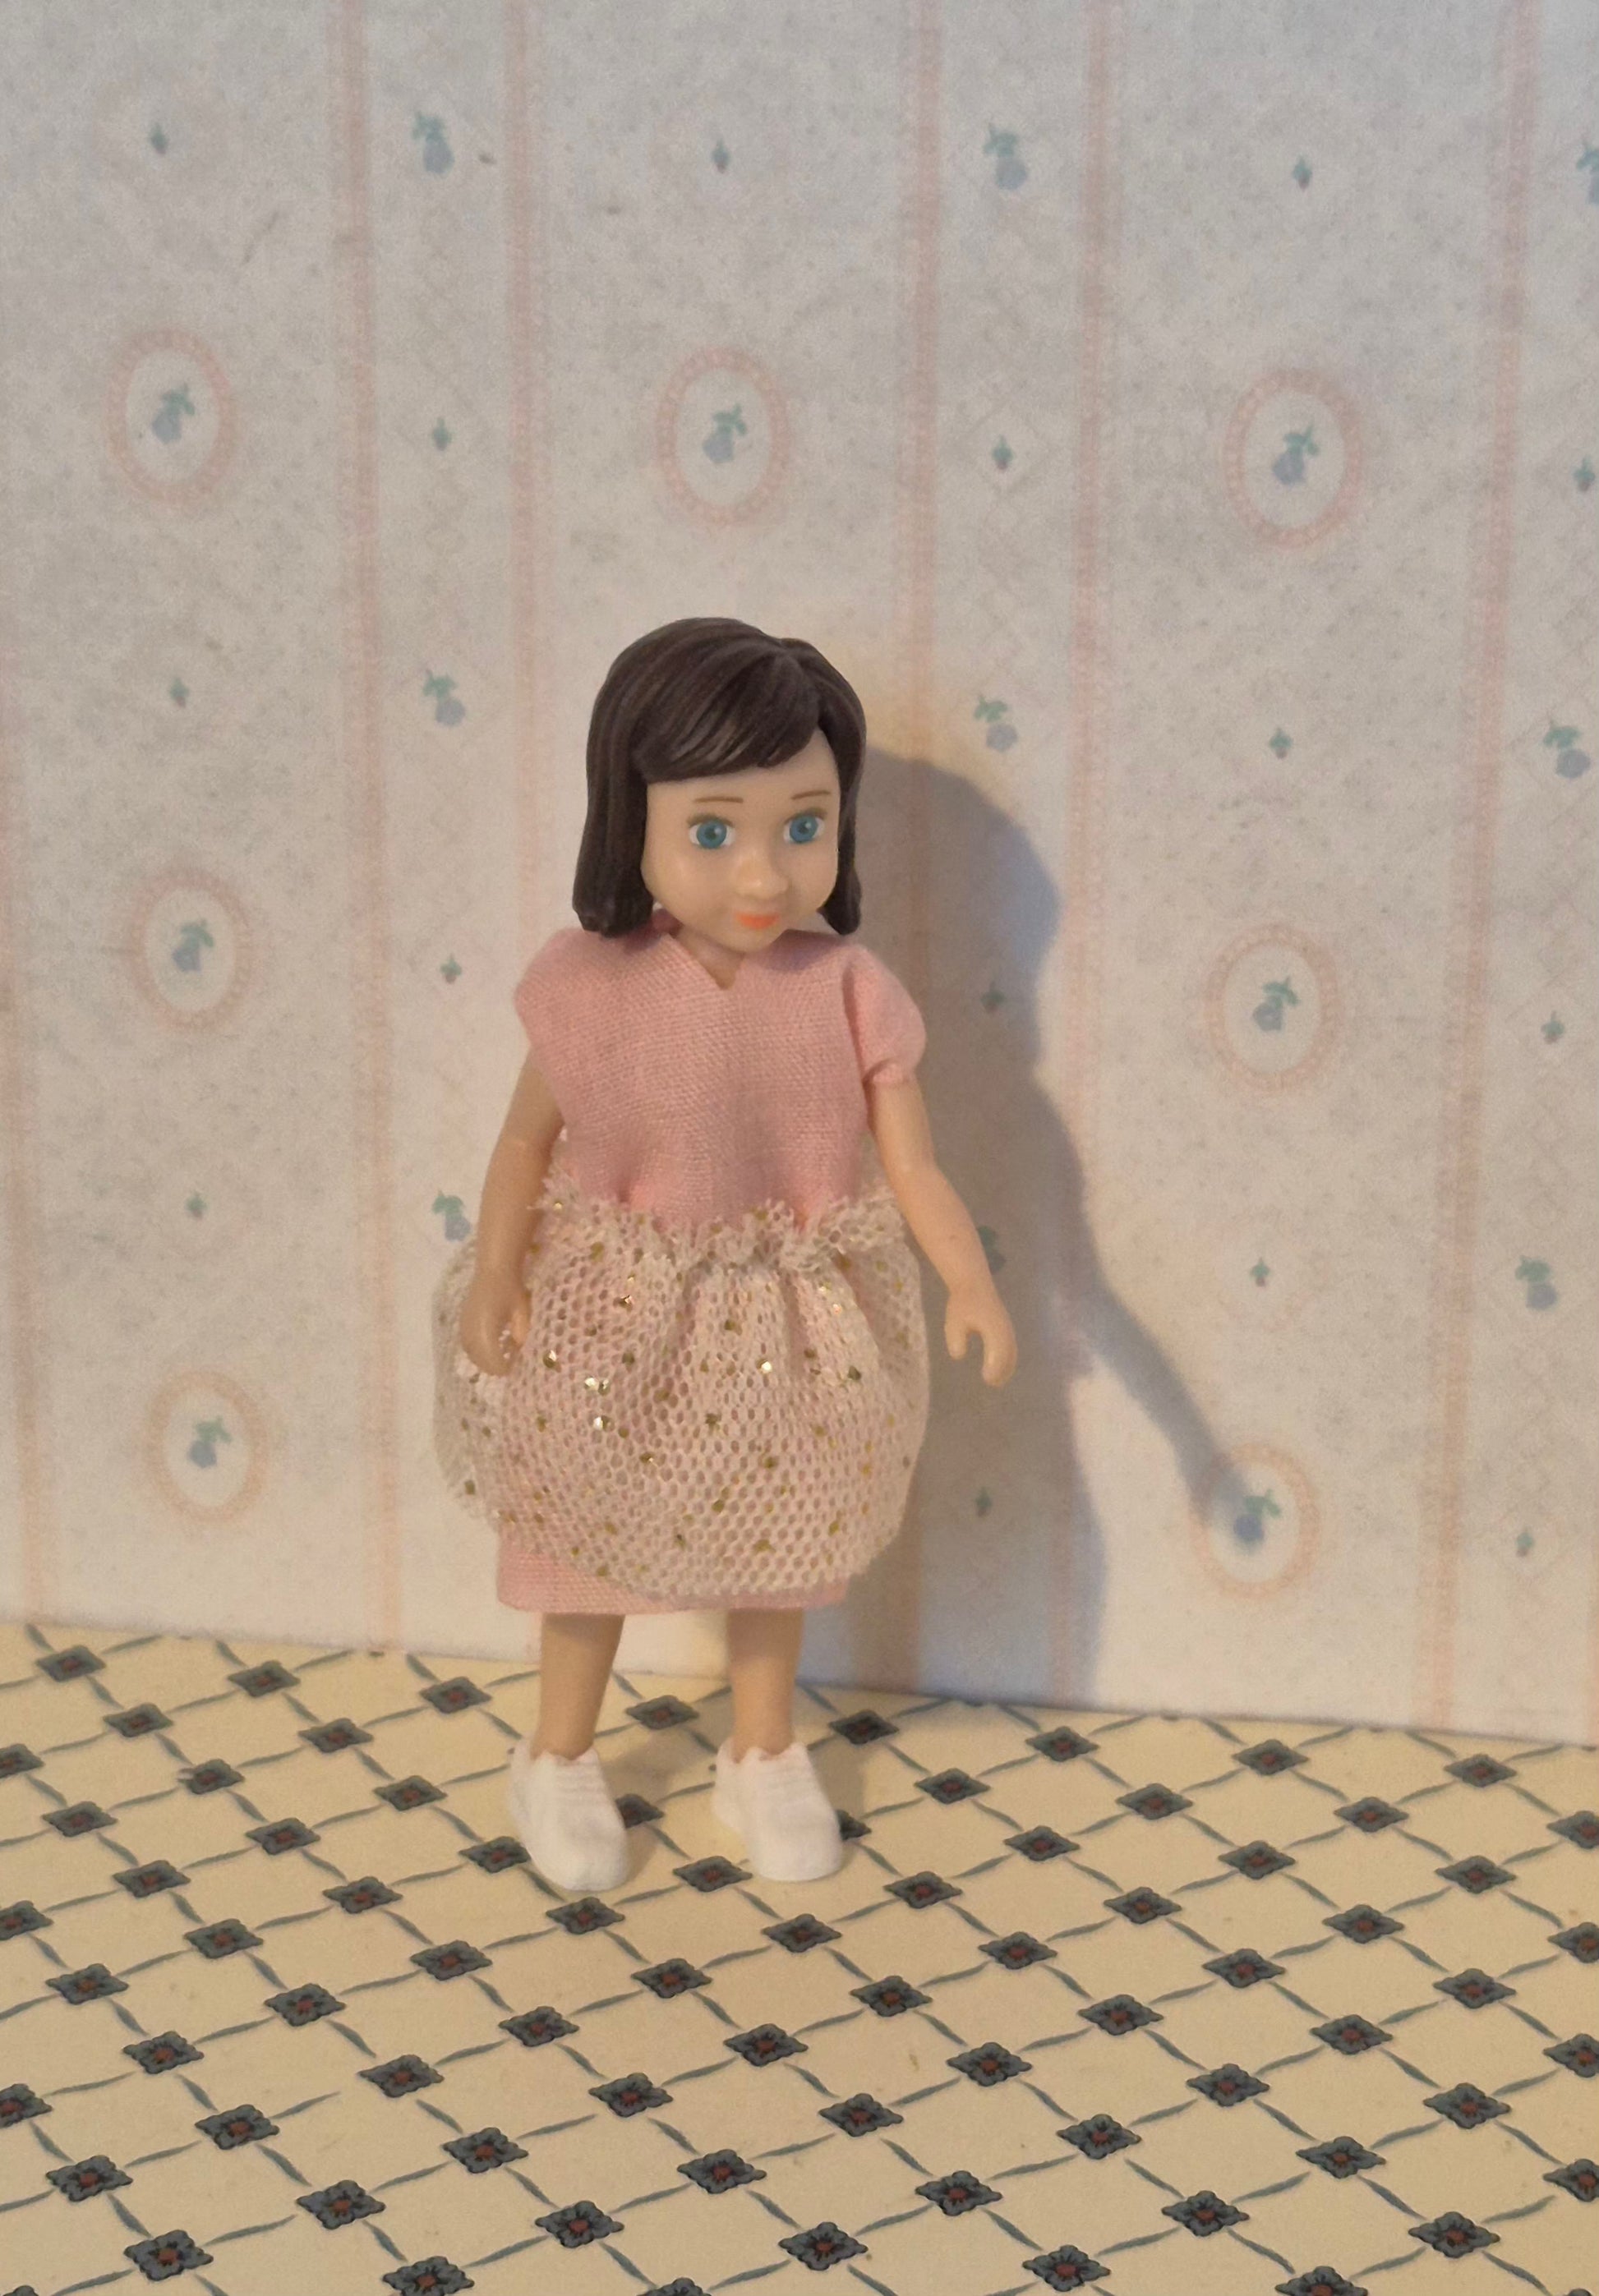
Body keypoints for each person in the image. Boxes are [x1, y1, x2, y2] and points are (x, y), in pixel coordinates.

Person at [433, 618, 1016, 1892]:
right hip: (615, 1311)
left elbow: (912, 1164)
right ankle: (556, 1753)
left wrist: (967, 1279)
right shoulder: (591, 984)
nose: (762, 870)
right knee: (586, 1538)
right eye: (712, 830)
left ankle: (761, 1750)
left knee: (782, 1535)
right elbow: (525, 1141)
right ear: (628, 822)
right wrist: (499, 1272)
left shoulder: (846, 988)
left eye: (803, 825)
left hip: (790, 1319)